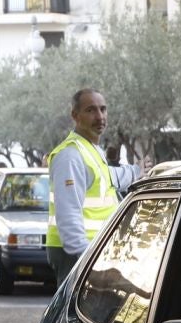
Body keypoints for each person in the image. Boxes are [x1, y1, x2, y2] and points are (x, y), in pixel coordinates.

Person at [45, 88, 143, 279]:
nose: (100, 117)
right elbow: (68, 213)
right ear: (75, 116)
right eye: (91, 110)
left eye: (103, 109)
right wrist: (86, 258)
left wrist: (137, 171)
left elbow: (110, 177)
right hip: (78, 254)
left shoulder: (90, 150)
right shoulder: (70, 156)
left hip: (93, 250)